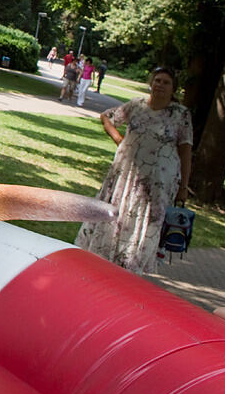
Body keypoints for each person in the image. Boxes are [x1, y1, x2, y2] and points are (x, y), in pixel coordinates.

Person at [74, 67, 192, 275]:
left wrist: (184, 187)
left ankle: (132, 264)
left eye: (166, 82)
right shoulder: (136, 105)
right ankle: (104, 254)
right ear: (151, 83)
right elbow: (106, 117)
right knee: (118, 210)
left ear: (173, 89)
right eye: (157, 80)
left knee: (146, 219)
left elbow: (186, 150)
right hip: (125, 173)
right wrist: (119, 140)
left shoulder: (180, 115)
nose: (160, 85)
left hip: (158, 181)